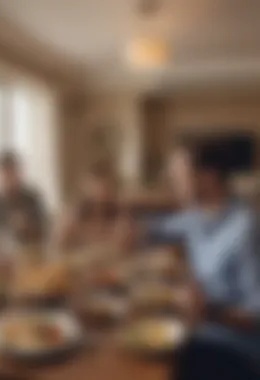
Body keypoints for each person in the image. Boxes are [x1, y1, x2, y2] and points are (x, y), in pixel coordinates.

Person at [135, 143, 260, 379]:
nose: (172, 184)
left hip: (235, 349)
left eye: (179, 176)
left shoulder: (246, 228)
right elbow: (153, 230)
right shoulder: (196, 214)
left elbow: (256, 315)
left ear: (208, 177)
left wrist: (209, 311)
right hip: (197, 330)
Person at [0, 151, 46, 243]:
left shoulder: (31, 199)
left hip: (27, 250)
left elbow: (44, 230)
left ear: (19, 173)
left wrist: (27, 227)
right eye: (5, 173)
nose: (8, 178)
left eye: (11, 172)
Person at [54, 161, 120, 249]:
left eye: (107, 187)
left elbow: (122, 246)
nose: (102, 193)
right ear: (85, 188)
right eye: (98, 187)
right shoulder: (75, 213)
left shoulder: (117, 213)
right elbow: (58, 244)